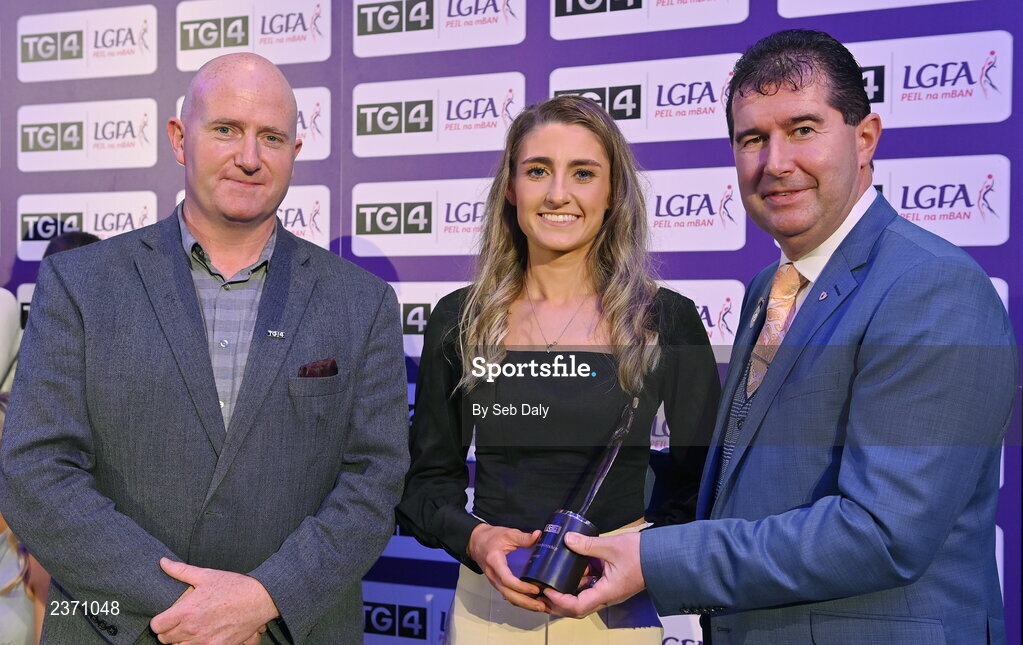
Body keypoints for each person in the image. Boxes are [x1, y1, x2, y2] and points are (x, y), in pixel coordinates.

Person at [544, 29, 1018, 645]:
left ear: (865, 137)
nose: (776, 163)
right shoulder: (771, 285)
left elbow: (881, 533)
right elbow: (750, 481)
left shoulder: (933, 288)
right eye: (752, 139)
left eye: (802, 129)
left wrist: (657, 558)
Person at [0, 53, 408, 645]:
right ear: (179, 138)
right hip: (120, 628)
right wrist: (189, 608)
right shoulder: (80, 285)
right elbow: (36, 471)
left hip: (290, 629)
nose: (249, 156)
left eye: (271, 137)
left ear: (295, 151)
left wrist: (263, 600)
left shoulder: (361, 303)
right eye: (226, 130)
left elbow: (376, 480)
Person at [396, 95, 720, 643]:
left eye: (583, 173)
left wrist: (634, 550)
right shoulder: (460, 319)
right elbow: (426, 485)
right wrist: (477, 542)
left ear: (613, 193)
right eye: (538, 171)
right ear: (510, 188)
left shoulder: (666, 320)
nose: (558, 194)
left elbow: (706, 482)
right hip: (488, 608)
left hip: (618, 605)